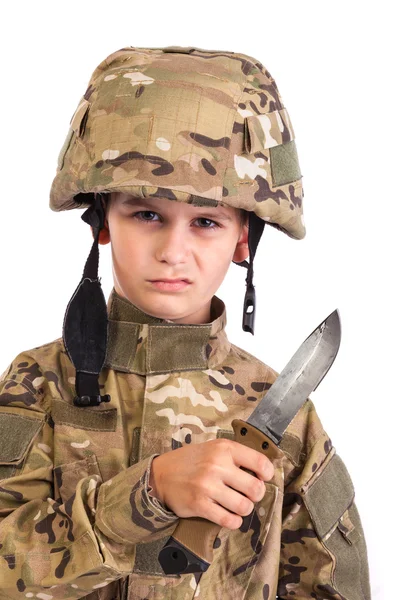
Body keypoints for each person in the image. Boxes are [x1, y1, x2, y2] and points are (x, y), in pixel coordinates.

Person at [0, 45, 371, 599]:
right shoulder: (38, 384)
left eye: (205, 221)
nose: (174, 250)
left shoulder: (284, 415)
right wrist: (144, 496)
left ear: (243, 237)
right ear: (103, 220)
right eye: (147, 213)